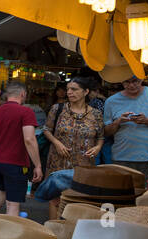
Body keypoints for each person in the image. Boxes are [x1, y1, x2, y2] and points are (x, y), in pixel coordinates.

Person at [37, 75, 104, 221]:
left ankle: (72, 232)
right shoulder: (58, 109)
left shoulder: (96, 114)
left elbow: (100, 137)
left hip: (84, 163)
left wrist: (98, 147)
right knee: (55, 198)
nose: (69, 92)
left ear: (86, 92)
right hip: (58, 160)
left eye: (74, 89)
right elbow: (46, 129)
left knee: (79, 198)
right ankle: (55, 230)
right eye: (68, 89)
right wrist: (57, 143)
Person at [0, 81, 42, 216]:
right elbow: (29, 139)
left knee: (2, 190)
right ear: (22, 94)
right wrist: (38, 165)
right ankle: (10, 234)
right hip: (15, 162)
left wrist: (1, 147)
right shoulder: (26, 112)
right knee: (13, 202)